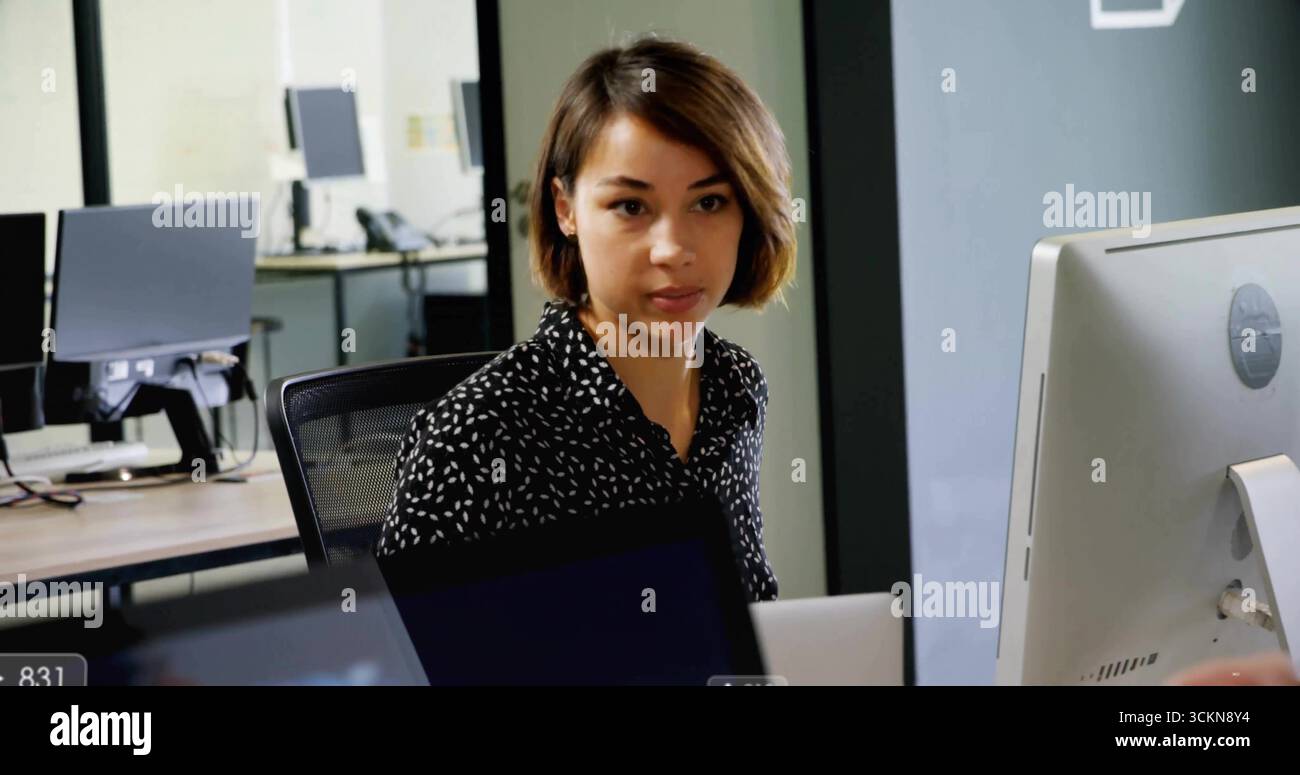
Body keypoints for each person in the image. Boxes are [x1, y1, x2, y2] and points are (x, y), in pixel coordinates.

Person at [375, 37, 797, 602]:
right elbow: (405, 661)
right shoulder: (478, 434)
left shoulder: (735, 388)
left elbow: (746, 616)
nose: (672, 249)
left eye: (708, 202)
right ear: (566, 209)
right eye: (630, 206)